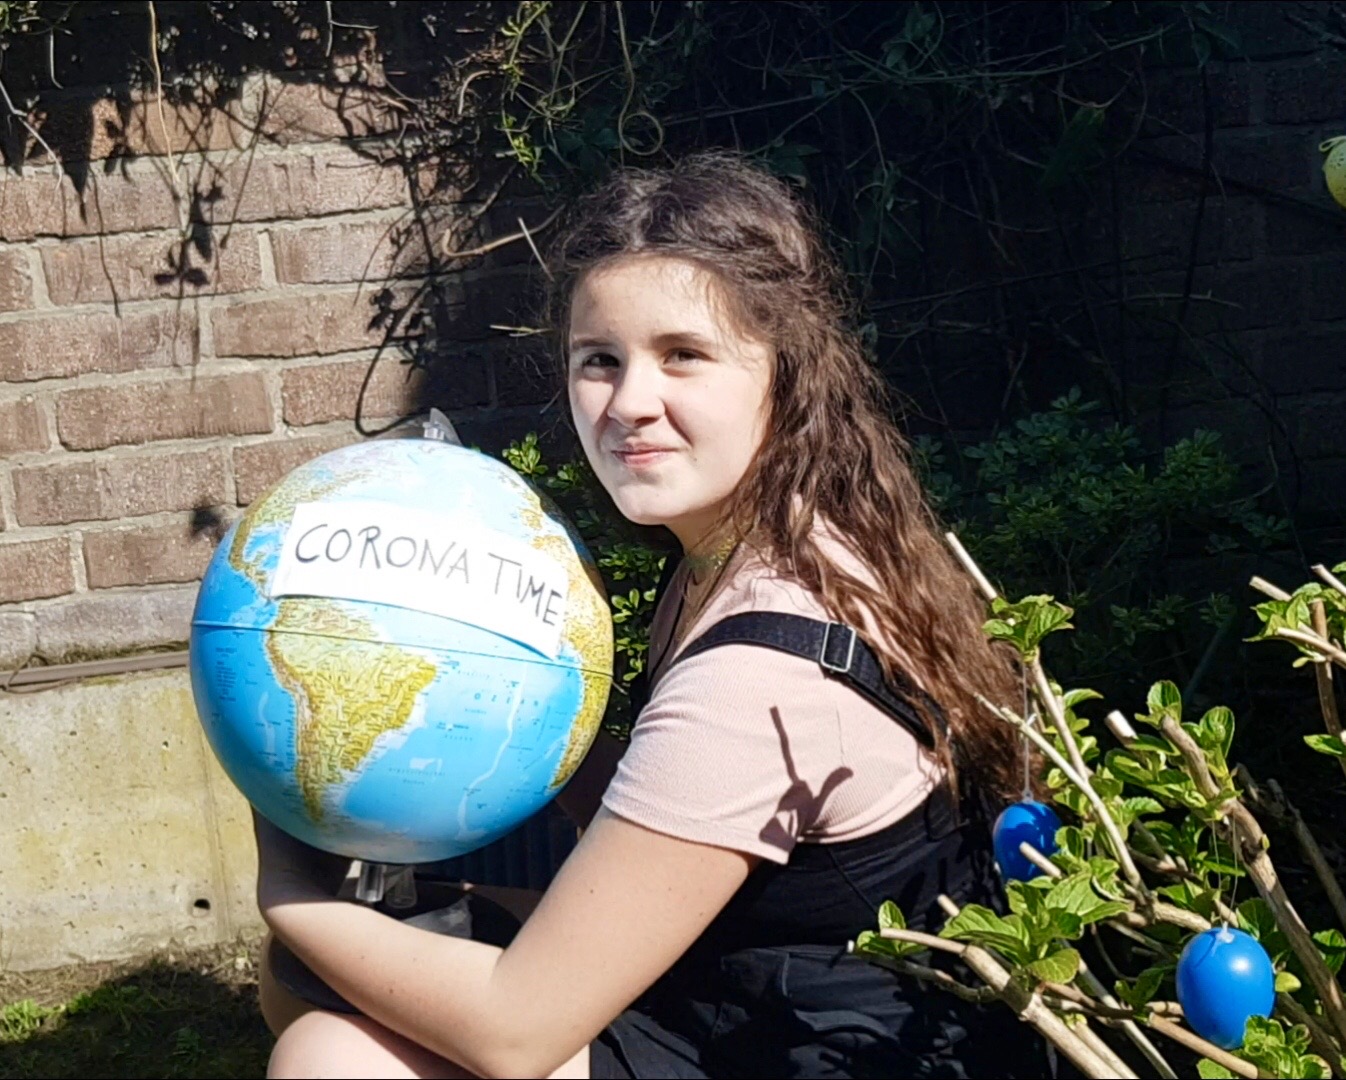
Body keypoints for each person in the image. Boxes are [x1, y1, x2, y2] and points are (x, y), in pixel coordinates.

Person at [254, 153, 1052, 1079]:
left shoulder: (758, 674)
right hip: (765, 1000)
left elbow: (513, 1032)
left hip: (835, 1054)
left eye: (684, 355)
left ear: (785, 372)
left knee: (330, 1051)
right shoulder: (775, 549)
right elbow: (678, 818)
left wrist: (289, 886)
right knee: (367, 957)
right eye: (600, 360)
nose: (631, 402)